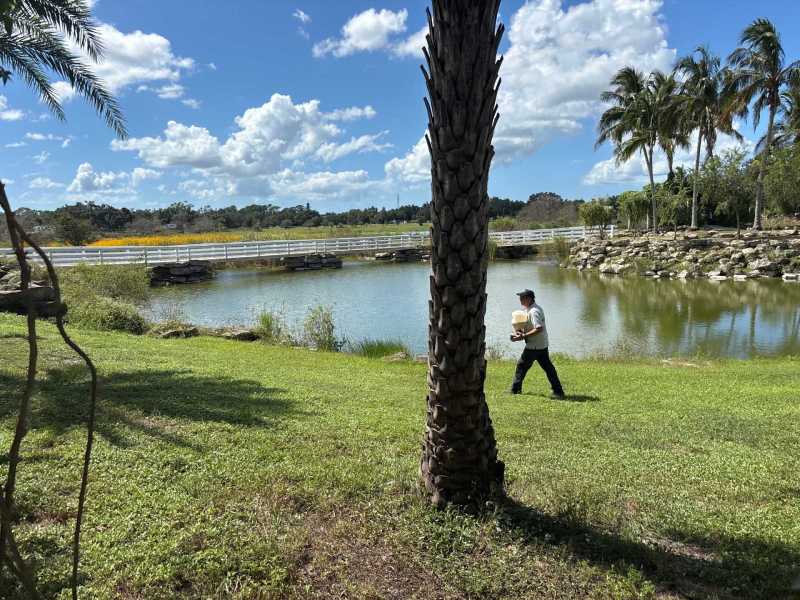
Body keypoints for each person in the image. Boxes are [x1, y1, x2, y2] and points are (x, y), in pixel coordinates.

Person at [509, 289, 565, 398]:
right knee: (548, 368)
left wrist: (523, 336)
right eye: (520, 297)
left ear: (529, 298)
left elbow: (538, 328)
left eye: (522, 297)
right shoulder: (528, 309)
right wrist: (517, 335)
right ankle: (558, 392)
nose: (520, 300)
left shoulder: (534, 311)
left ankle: (515, 391)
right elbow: (527, 326)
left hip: (534, 346)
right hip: (541, 345)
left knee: (521, 366)